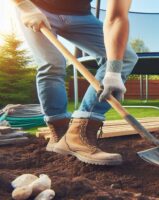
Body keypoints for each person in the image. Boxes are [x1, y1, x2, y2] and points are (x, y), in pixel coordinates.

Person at [11, 0, 137, 165]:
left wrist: (113, 72)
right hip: (37, 7)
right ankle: (60, 134)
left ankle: (79, 133)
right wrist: (24, 6)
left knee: (125, 58)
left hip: (81, 15)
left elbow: (117, 17)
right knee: (52, 63)